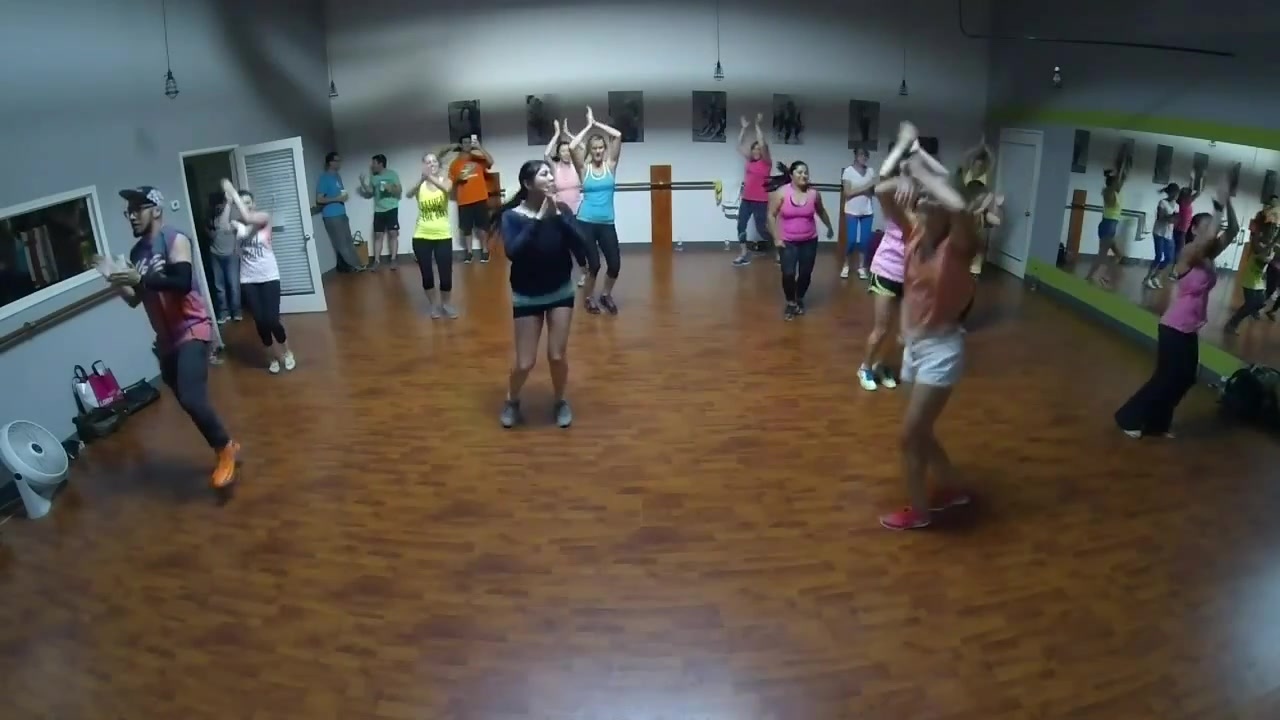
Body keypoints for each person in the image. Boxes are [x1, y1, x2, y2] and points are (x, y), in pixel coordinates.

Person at [873, 123, 987, 531]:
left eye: (928, 200)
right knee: (922, 432)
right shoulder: (913, 233)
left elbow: (960, 208)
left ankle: (920, 512)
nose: (921, 202)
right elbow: (882, 189)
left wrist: (921, 172)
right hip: (915, 350)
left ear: (941, 211)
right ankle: (953, 489)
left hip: (942, 351)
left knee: (909, 436)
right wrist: (904, 156)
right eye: (920, 199)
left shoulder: (958, 248)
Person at [106, 186, 239, 492]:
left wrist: (142, 279)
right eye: (129, 211)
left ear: (156, 210)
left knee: (192, 398)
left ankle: (224, 449)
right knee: (186, 399)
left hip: (191, 328)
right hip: (166, 340)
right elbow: (135, 298)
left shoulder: (174, 239)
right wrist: (114, 279)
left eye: (138, 209)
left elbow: (181, 282)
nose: (132, 216)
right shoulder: (137, 254)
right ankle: (225, 442)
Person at [1116, 183, 1237, 438]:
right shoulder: (1189, 252)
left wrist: (1227, 202)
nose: (1212, 231)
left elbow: (1233, 230)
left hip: (1189, 327)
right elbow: (1210, 238)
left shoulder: (1209, 256)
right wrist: (1217, 208)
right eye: (1206, 226)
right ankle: (1128, 418)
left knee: (1186, 378)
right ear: (1194, 229)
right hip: (1173, 326)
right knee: (1166, 377)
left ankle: (1158, 424)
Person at [494, 160, 590, 429]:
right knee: (525, 362)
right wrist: (538, 219)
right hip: (527, 294)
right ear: (528, 184)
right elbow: (514, 251)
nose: (551, 177)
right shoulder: (512, 216)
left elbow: (581, 244)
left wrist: (558, 215)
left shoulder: (562, 210)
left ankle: (560, 400)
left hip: (560, 290)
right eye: (544, 174)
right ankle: (512, 400)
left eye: (551, 173)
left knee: (557, 356)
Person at [221, 180, 295, 374]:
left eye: (248, 202)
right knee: (261, 322)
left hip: (269, 276)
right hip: (248, 279)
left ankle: (287, 351)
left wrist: (233, 193)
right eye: (242, 203)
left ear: (253, 204)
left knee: (272, 320)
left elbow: (248, 216)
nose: (245, 206)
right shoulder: (238, 224)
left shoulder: (264, 218)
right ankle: (272, 356)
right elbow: (223, 227)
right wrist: (228, 202)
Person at [571, 106, 624, 315]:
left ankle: (606, 295)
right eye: (594, 148)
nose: (598, 151)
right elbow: (573, 145)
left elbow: (617, 135)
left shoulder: (611, 165)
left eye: (601, 147)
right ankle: (589, 298)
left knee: (614, 265)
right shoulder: (584, 170)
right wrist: (588, 127)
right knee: (594, 265)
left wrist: (597, 124)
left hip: (607, 222)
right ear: (590, 151)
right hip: (586, 222)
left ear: (605, 149)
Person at [767, 160, 835, 320]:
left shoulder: (814, 194)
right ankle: (791, 302)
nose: (804, 175)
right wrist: (776, 238)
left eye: (806, 172)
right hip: (787, 241)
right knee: (788, 273)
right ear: (791, 175)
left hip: (809, 240)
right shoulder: (782, 193)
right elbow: (771, 215)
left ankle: (799, 298)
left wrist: (829, 227)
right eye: (799, 172)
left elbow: (821, 211)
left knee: (805, 273)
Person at [405, 152, 458, 319]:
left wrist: (430, 178)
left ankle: (446, 304)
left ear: (438, 165)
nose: (432, 164)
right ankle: (433, 305)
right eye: (428, 162)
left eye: (434, 161)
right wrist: (422, 180)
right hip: (421, 235)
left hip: (443, 235)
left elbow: (447, 189)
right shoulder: (420, 185)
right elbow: (408, 194)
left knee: (445, 275)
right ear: (424, 165)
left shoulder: (445, 181)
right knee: (427, 274)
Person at [544, 118, 588, 285]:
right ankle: (562, 276)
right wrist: (557, 134)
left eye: (568, 150)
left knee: (577, 246)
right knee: (560, 246)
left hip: (577, 212)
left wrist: (569, 134)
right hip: (559, 212)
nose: (566, 153)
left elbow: (583, 147)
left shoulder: (578, 166)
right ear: (559, 153)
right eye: (563, 151)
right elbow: (546, 154)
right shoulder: (555, 167)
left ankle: (584, 273)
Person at [445, 136, 495, 264]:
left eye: (469, 142)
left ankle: (485, 250)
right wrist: (459, 179)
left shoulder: (477, 159)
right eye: (465, 142)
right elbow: (450, 183)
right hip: (464, 200)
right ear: (461, 145)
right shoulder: (455, 164)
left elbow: (491, 161)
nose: (467, 144)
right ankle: (469, 253)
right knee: (466, 229)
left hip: (480, 198)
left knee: (483, 227)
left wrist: (479, 147)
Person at [1085, 151, 1132, 287]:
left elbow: (1123, 177)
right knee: (1102, 255)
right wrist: (1120, 167)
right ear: (1113, 184)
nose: (1120, 184)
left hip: (1110, 226)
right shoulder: (1109, 193)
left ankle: (1100, 276)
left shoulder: (1115, 192)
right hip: (1108, 226)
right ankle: (1091, 277)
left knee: (1118, 255)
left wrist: (1124, 164)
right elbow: (1119, 180)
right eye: (1117, 182)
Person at [1223, 219, 1277, 335]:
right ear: (1265, 231)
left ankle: (1234, 322)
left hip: (1259, 279)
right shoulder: (1256, 241)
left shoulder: (1269, 244)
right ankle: (1232, 324)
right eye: (1271, 230)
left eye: (1274, 231)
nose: (1272, 233)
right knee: (1250, 304)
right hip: (1250, 278)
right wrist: (1273, 243)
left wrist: (1273, 244)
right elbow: (1260, 254)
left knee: (1260, 302)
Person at [733, 113, 772, 267]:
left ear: (763, 151)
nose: (756, 151)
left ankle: (780, 248)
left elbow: (762, 142)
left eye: (758, 149)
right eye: (754, 149)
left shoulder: (767, 162)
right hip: (746, 199)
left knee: (761, 229)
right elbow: (738, 146)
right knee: (741, 225)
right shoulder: (750, 161)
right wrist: (743, 128)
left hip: (761, 200)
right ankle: (743, 253)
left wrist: (757, 125)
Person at [315, 151, 365, 273]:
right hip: (331, 215)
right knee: (342, 243)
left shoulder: (337, 176)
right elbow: (319, 199)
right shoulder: (324, 178)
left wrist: (343, 197)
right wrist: (336, 199)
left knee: (348, 241)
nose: (339, 163)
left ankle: (355, 264)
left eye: (339, 160)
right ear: (330, 162)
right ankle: (355, 265)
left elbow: (340, 193)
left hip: (341, 213)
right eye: (337, 161)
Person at [358, 154, 403, 270]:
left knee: (393, 233)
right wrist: (363, 183)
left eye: (374, 163)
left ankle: (393, 259)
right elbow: (370, 191)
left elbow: (399, 190)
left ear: (380, 164)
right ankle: (376, 261)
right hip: (378, 210)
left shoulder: (392, 174)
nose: (372, 166)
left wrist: (390, 188)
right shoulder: (374, 177)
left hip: (392, 208)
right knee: (378, 235)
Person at [840, 147, 878, 280]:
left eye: (866, 155)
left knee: (864, 241)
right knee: (851, 241)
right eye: (861, 154)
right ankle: (846, 265)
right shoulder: (848, 172)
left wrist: (873, 187)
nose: (864, 157)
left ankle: (861, 267)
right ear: (855, 156)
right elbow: (847, 193)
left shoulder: (871, 171)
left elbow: (873, 191)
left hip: (867, 211)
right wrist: (867, 186)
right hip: (851, 211)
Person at [207, 193, 242, 324]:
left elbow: (240, 233)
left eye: (220, 204)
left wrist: (237, 249)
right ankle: (223, 312)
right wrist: (211, 228)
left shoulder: (232, 214)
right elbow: (210, 236)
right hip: (215, 254)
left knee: (233, 285)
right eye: (215, 205)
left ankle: (236, 311)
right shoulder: (210, 218)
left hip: (231, 254)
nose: (218, 207)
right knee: (219, 286)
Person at [1144, 184, 1179, 289]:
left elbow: (1175, 220)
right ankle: (1147, 279)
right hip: (1159, 232)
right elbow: (1160, 217)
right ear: (1170, 193)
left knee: (1169, 258)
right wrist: (1171, 217)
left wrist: (1173, 219)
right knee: (1159, 256)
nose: (1176, 195)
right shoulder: (1162, 203)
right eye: (1175, 193)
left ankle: (1156, 276)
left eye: (1177, 194)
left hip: (1168, 234)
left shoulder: (1176, 205)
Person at [1169, 180, 1201, 281]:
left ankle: (1174, 271)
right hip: (1182, 230)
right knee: (1180, 251)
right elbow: (1198, 193)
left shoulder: (1183, 202)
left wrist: (1192, 180)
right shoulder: (1185, 202)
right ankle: (1173, 272)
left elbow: (1192, 192)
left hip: (1181, 229)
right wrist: (1200, 179)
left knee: (1179, 251)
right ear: (1186, 196)